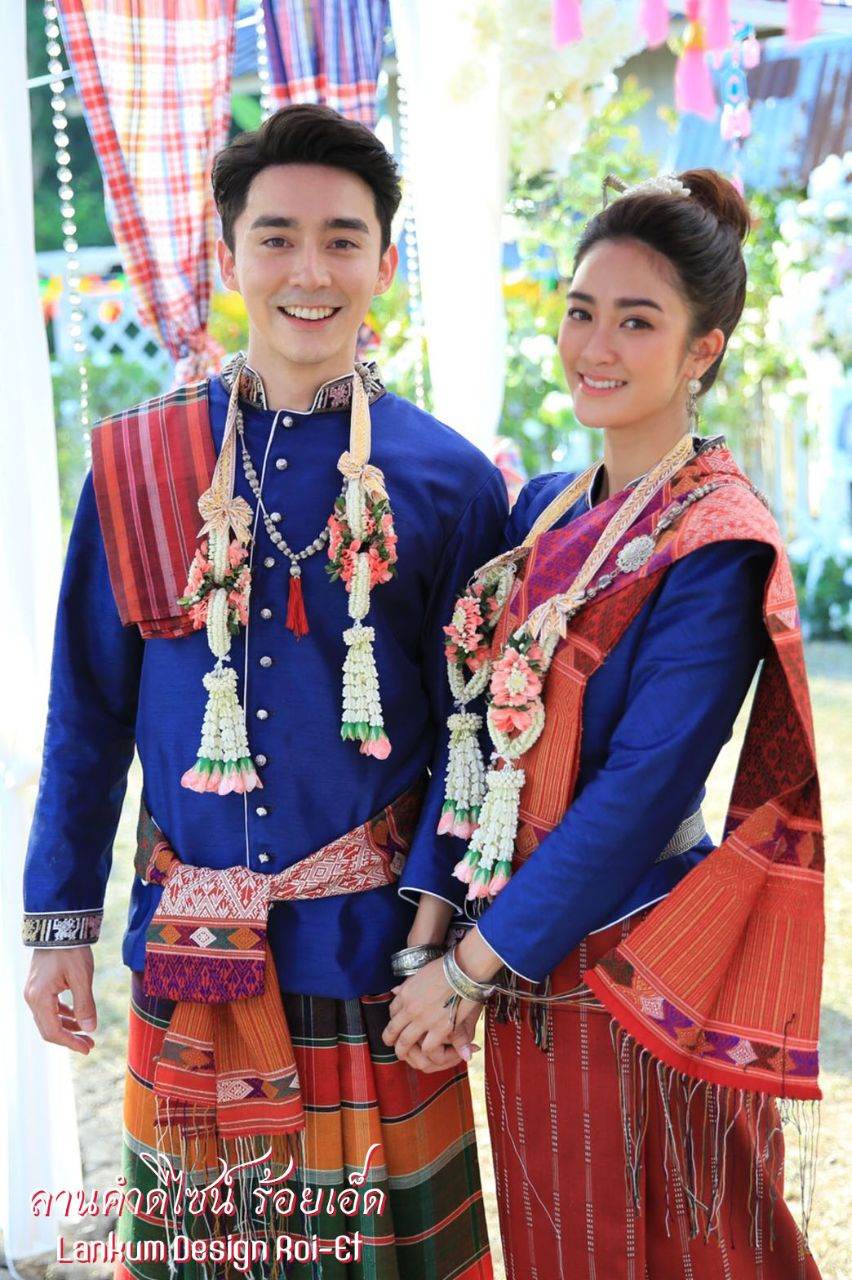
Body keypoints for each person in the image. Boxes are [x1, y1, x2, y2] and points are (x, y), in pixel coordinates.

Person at [22, 104, 504, 1279]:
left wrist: (439, 938)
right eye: (277, 235)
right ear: (228, 251)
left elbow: (475, 738)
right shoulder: (140, 462)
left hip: (369, 956)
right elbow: (87, 705)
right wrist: (58, 923)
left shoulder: (447, 479)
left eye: (343, 239)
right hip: (191, 953)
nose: (309, 270)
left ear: (385, 262)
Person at [384, 169, 824, 1279]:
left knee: (679, 1247)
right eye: (584, 309)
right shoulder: (542, 508)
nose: (598, 343)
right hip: (519, 960)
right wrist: (429, 944)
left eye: (639, 320)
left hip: (635, 969)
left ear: (704, 349)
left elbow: (640, 792)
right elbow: (474, 730)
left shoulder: (715, 537)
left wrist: (472, 970)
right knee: (558, 1246)